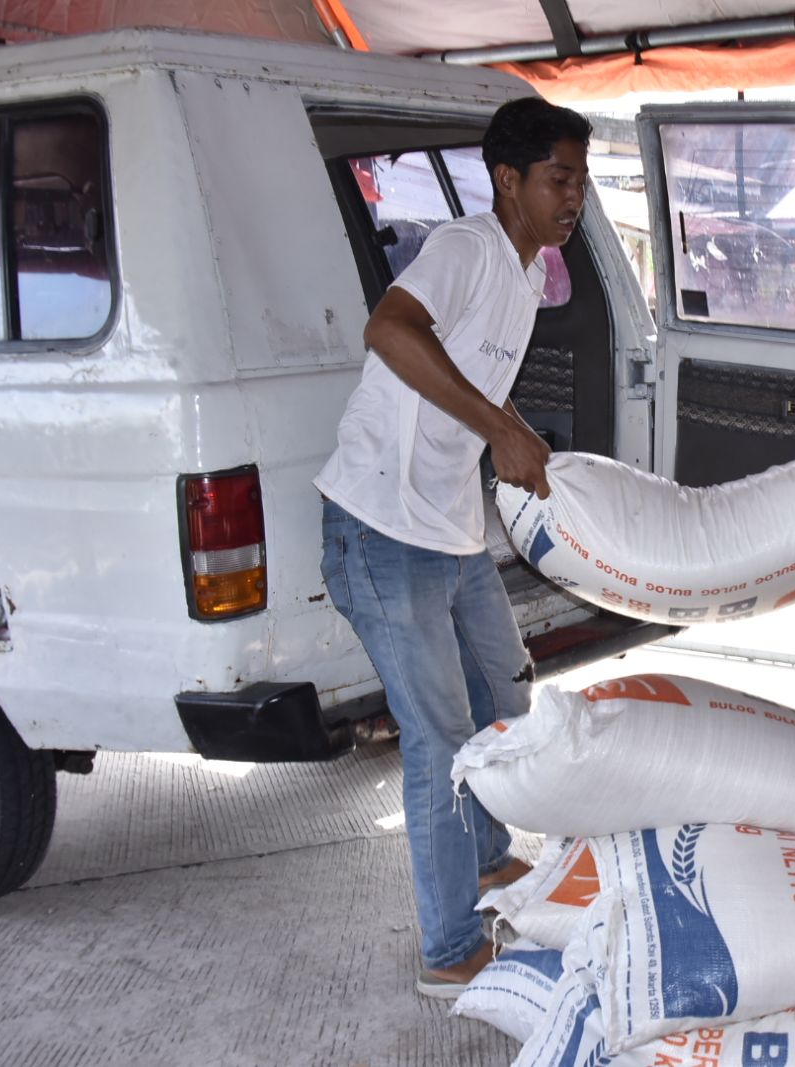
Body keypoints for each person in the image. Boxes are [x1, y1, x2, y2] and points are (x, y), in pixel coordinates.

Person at [314, 97, 590, 998]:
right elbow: (389, 329)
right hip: (380, 529)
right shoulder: (467, 248)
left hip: (447, 524)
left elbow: (475, 376)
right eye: (559, 177)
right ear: (507, 180)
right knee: (437, 737)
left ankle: (485, 855)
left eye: (581, 177)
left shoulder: (528, 269)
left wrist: (514, 433)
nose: (574, 195)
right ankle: (446, 948)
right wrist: (494, 429)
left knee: (503, 685)